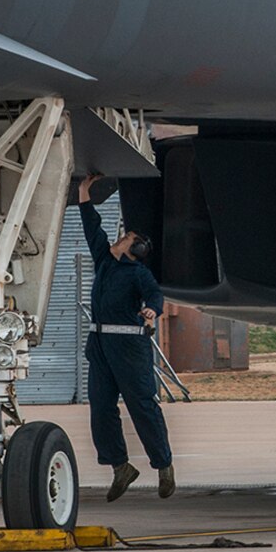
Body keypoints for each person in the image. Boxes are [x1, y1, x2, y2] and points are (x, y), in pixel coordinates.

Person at [78, 174, 175, 500]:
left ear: (134, 249)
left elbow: (154, 295)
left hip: (129, 347)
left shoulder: (138, 273)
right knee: (101, 407)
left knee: (141, 405)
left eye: (126, 236)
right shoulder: (104, 261)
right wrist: (83, 194)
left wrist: (152, 310)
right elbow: (93, 228)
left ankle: (163, 465)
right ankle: (120, 467)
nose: (120, 237)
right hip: (101, 346)